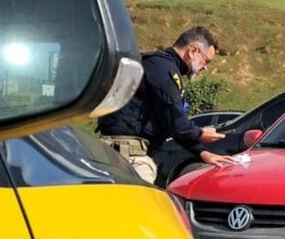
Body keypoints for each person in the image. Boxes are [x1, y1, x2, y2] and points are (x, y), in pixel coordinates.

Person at [97, 26, 236, 183]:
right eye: (206, 60)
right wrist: (200, 134)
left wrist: (203, 153)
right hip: (130, 158)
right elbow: (177, 121)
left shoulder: (159, 65)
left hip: (119, 152)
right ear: (193, 51)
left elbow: (170, 122)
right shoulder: (165, 72)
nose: (205, 67)